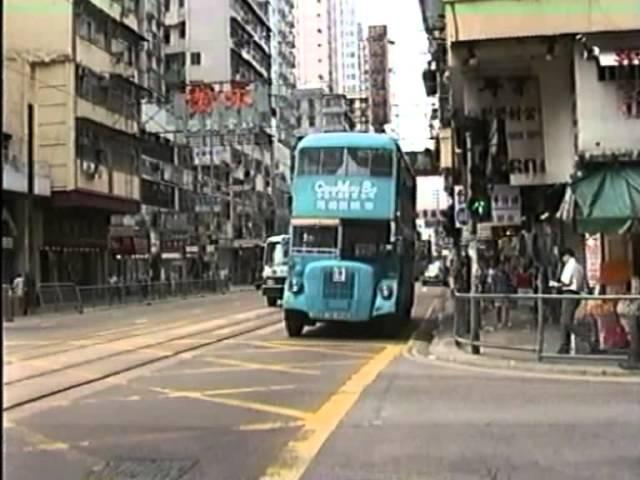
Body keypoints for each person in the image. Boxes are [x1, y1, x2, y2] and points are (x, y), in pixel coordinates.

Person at [555, 248, 586, 354]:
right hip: (575, 294)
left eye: (563, 257)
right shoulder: (579, 267)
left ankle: (585, 337)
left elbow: (566, 282)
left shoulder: (571, 266)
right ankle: (564, 345)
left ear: (567, 256)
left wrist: (555, 285)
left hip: (569, 294)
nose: (563, 260)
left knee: (566, 321)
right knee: (566, 321)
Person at [616, 276, 640, 370]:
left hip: (636, 309)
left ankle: (634, 361)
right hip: (636, 309)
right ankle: (633, 360)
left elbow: (635, 292)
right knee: (635, 335)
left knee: (634, 335)